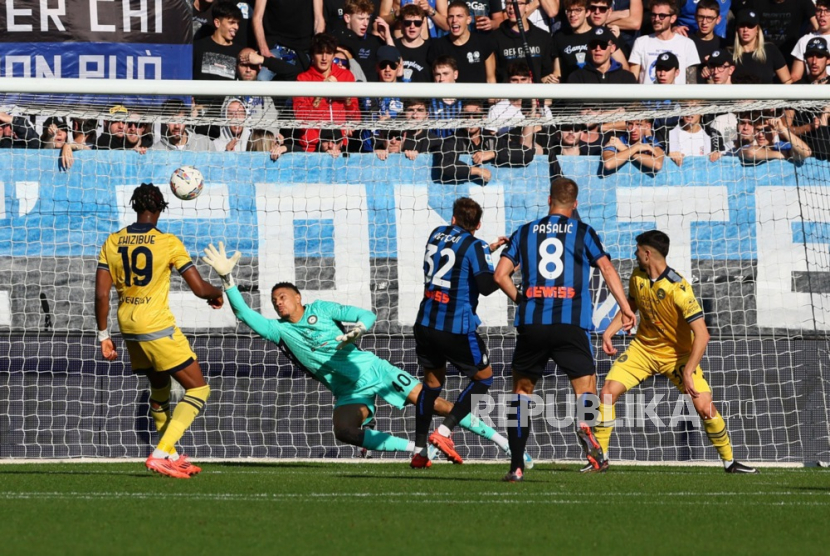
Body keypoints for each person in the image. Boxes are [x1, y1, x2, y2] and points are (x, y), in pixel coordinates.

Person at [201, 242, 515, 465]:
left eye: (283, 297)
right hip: (347, 390)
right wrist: (227, 279)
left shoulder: (322, 308)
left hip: (374, 371)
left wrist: (358, 330)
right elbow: (243, 313)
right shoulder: (279, 331)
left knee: (435, 404)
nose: (278, 303)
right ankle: (420, 451)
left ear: (298, 297)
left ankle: (503, 442)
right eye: (274, 301)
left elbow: (365, 314)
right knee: (344, 430)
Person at [493, 177, 636, 482]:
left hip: (533, 322)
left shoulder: (525, 231)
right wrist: (625, 307)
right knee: (585, 389)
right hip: (571, 324)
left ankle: (516, 465)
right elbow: (607, 269)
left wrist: (523, 299)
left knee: (521, 394)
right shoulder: (583, 232)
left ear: (549, 200)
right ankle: (586, 426)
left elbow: (500, 275)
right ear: (575, 204)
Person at [595, 230, 758, 474]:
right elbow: (631, 306)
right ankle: (601, 459)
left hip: (677, 356)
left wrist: (689, 371)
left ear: (648, 254)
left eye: (638, 251)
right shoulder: (637, 276)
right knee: (607, 393)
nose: (635, 255)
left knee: (705, 408)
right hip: (643, 350)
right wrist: (609, 331)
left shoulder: (679, 288)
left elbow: (702, 335)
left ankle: (729, 462)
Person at [95, 183, 225, 479]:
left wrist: (104, 336)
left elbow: (101, 295)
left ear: (134, 205)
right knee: (199, 389)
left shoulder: (113, 241)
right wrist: (218, 292)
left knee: (160, 388)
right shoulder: (167, 242)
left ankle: (174, 455)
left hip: (127, 325)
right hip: (156, 325)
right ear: (161, 207)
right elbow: (199, 288)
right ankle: (161, 452)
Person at [412, 197, 513, 466]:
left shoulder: (436, 234)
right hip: (455, 328)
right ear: (478, 224)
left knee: (432, 385)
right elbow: (486, 286)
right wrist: (509, 264)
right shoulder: (475, 245)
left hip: (425, 324)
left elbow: (454, 256)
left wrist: (486, 251)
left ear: (453, 218)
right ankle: (444, 432)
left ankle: (419, 451)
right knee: (484, 379)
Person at [292, 33, 361, 153]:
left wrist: (346, 97)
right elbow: (301, 118)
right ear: (312, 55)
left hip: (339, 146)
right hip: (312, 146)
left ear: (333, 55)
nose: (324, 58)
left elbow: (355, 118)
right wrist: (321, 93)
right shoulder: (303, 79)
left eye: (328, 53)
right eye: (319, 53)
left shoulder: (346, 76)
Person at [553, 0, 629, 83]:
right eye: (569, 10)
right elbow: (557, 72)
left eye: (578, 10)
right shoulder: (559, 37)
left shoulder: (602, 34)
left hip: (597, 89)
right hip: (571, 89)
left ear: (587, 12)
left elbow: (624, 69)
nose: (573, 15)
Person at [628, 0, 700, 84]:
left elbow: (691, 83)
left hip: (677, 97)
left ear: (673, 18)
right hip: (648, 96)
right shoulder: (641, 42)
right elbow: (632, 80)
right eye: (653, 15)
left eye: (662, 16)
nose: (656, 19)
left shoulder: (687, 44)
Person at [427, 1, 497, 83]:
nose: (454, 20)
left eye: (459, 16)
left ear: (468, 20)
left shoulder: (484, 43)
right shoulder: (438, 46)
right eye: (451, 17)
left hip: (479, 95)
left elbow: (491, 79)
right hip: (450, 95)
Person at [253, 0, 318, 82]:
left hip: (304, 48)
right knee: (262, 78)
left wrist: (319, 50)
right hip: (276, 46)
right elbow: (257, 17)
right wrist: (264, 50)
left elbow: (319, 20)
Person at [492, 0, 555, 83]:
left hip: (535, 94)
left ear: (527, 6)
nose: (511, 7)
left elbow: (546, 74)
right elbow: (492, 76)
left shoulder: (542, 37)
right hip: (506, 94)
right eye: (508, 3)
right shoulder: (495, 38)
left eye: (518, 3)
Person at [730, 10, 791, 85]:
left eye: (750, 26)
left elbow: (787, 81)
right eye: (742, 26)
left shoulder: (770, 50)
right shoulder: (729, 54)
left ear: (757, 30)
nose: (745, 30)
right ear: (737, 29)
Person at [567, 26, 638, 84]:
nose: (598, 48)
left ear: (613, 48)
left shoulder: (627, 78)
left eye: (603, 45)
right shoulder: (577, 78)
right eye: (593, 45)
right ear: (588, 48)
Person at [739, 115, 812, 164]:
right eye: (758, 130)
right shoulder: (748, 146)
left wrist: (783, 129)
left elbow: (806, 152)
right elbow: (751, 153)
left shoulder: (782, 146)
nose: (761, 135)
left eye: (766, 131)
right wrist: (780, 154)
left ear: (775, 132)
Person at [151, 100, 215, 151]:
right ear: (165, 122)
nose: (177, 126)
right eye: (172, 121)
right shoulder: (156, 150)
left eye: (180, 121)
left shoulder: (205, 143)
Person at [790, 0, 830, 83]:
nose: (822, 15)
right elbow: (796, 76)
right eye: (819, 10)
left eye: (827, 11)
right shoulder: (804, 41)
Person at [395, 3, 433, 82]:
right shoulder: (393, 46)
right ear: (401, 24)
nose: (412, 26)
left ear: (422, 24)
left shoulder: (431, 48)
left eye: (417, 23)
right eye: (408, 23)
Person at [688, 0, 725, 82]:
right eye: (701, 17)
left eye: (709, 18)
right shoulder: (686, 42)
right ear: (695, 17)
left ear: (718, 19)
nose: (704, 22)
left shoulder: (723, 45)